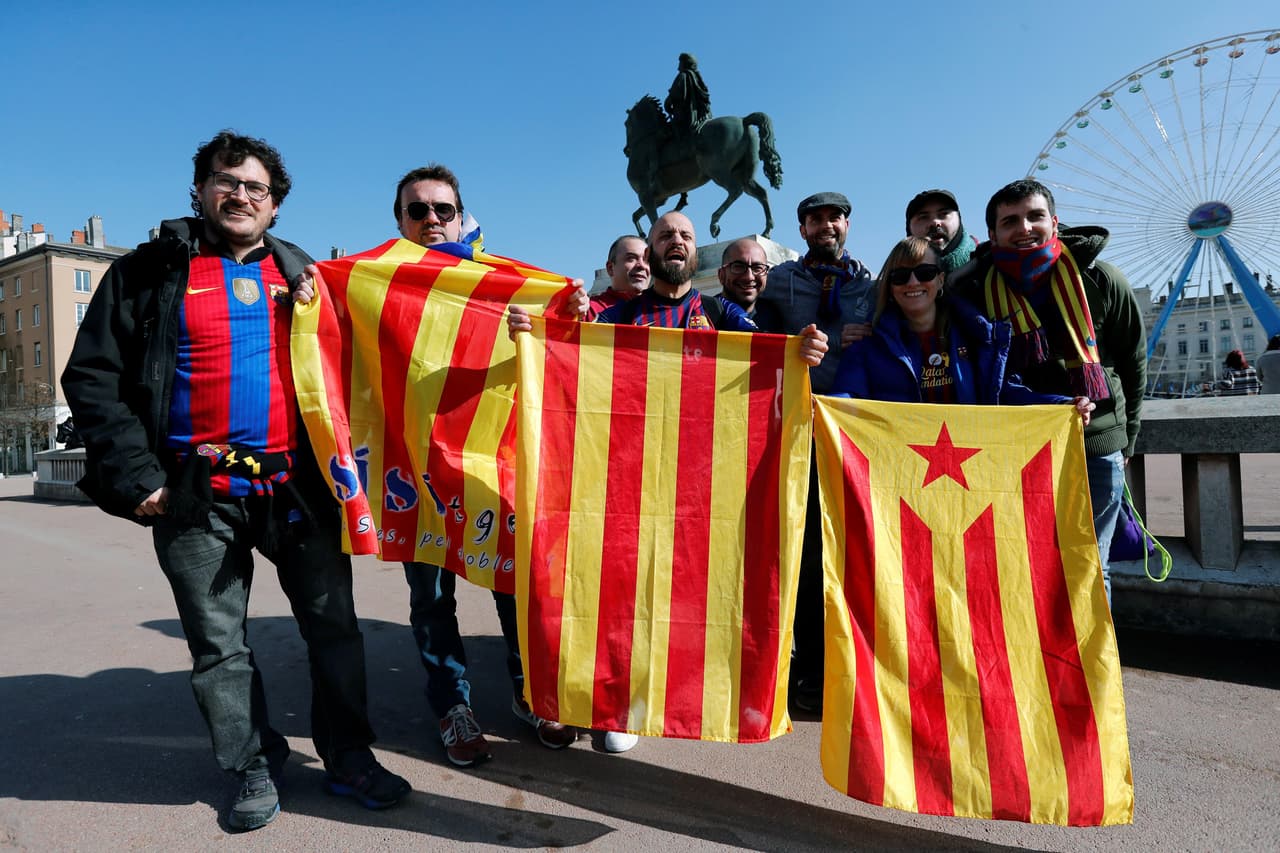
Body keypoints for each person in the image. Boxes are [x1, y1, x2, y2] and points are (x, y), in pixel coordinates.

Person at [60, 131, 410, 832]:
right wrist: (140, 480)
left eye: (256, 187)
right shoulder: (148, 271)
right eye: (227, 181)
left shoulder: (310, 277)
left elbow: (401, 338)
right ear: (200, 190)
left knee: (334, 627)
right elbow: (92, 381)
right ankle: (251, 762)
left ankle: (346, 754)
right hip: (194, 493)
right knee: (219, 645)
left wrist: (537, 324)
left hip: (297, 487)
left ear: (275, 206)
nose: (241, 195)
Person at [507, 210, 827, 749]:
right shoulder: (620, 315)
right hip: (622, 482)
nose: (674, 242)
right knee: (618, 596)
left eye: (685, 235)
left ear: (696, 251)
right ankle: (608, 705)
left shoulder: (721, 314)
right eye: (664, 236)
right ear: (650, 250)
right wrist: (533, 333)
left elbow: (773, 357)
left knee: (680, 598)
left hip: (700, 485)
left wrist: (804, 352)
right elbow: (568, 353)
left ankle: (645, 704)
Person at [391, 164, 579, 766]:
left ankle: (533, 693)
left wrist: (542, 325)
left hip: (492, 462)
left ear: (459, 213)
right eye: (417, 210)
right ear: (400, 220)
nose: (431, 220)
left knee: (515, 588)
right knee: (432, 598)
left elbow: (564, 346)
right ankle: (453, 705)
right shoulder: (378, 280)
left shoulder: (503, 281)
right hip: (417, 467)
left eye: (442, 209)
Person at [951, 179, 1146, 605]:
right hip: (1015, 448)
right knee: (1020, 559)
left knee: (1091, 564)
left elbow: (1133, 362)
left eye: (1035, 216)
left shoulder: (1100, 280)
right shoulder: (974, 291)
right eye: (1010, 221)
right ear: (993, 234)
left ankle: (1093, 669)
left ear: (1054, 222)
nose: (1024, 228)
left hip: (1095, 443)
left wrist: (1128, 438)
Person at [757, 191, 874, 713]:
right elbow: (751, 332)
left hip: (856, 432)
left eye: (835, 217)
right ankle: (808, 668)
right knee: (806, 555)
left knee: (852, 552)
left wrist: (870, 336)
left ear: (847, 225)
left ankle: (852, 663)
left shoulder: (871, 283)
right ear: (801, 229)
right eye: (816, 219)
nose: (827, 225)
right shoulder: (780, 280)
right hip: (800, 429)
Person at [832, 236, 1094, 424]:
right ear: (890, 286)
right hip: (899, 473)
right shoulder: (866, 344)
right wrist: (822, 410)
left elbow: (1002, 393)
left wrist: (1061, 406)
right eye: (900, 276)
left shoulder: (979, 336)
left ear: (941, 279)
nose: (912, 282)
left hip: (966, 474)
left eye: (924, 272)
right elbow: (848, 397)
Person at [716, 237, 784, 332]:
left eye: (757, 268)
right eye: (738, 267)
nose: (749, 277)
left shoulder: (778, 317)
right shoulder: (704, 316)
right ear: (721, 275)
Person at [905, 189, 976, 275]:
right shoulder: (896, 279)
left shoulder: (990, 264)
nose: (935, 222)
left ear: (959, 219)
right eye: (923, 217)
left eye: (944, 214)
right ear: (909, 228)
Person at [590, 235, 650, 317]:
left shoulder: (663, 312)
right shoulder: (589, 312)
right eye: (631, 258)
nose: (642, 265)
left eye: (647, 260)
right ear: (610, 268)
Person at [664, 52, 711, 137]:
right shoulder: (698, 78)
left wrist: (667, 106)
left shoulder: (682, 76)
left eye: (680, 64)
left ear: (685, 64)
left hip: (685, 116)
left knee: (666, 133)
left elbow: (673, 96)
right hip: (702, 116)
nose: (678, 68)